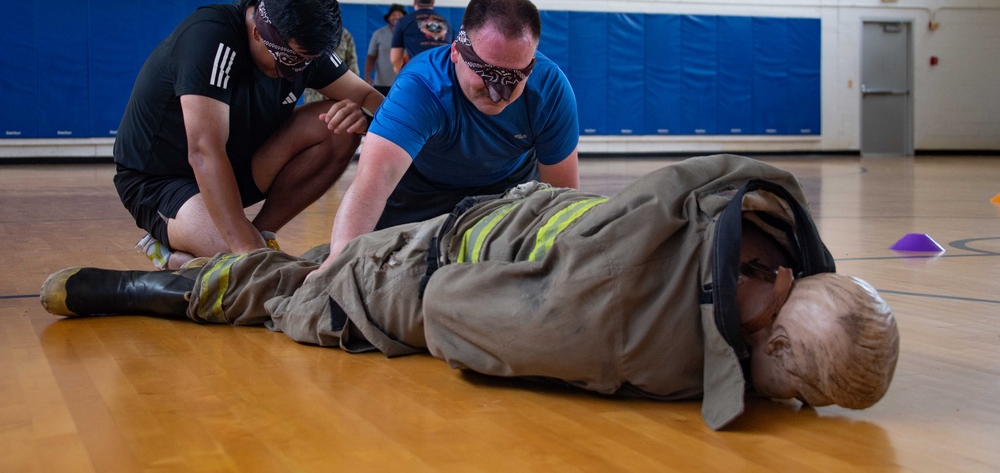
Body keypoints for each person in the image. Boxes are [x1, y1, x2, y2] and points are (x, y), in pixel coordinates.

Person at [40, 154, 901, 431]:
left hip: (501, 221)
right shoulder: (618, 329)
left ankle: (241, 269)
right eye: (793, 389)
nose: (789, 406)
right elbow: (451, 311)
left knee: (309, 273)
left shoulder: (754, 212)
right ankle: (166, 286)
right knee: (296, 302)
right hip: (432, 266)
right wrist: (368, 292)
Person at [112, 0, 383, 270]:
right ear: (258, 34)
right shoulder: (209, 39)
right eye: (293, 61)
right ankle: (171, 255)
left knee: (339, 128)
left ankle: (262, 233)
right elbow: (204, 152)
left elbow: (369, 97)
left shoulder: (300, 49)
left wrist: (366, 117)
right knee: (246, 262)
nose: (300, 71)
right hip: (162, 180)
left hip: (238, 166)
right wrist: (249, 253)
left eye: (309, 61)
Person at [326, 0, 580, 267]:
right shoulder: (422, 87)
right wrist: (338, 260)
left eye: (513, 78)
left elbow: (562, 197)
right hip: (420, 196)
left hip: (504, 199)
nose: (499, 93)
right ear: (457, 52)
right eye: (487, 73)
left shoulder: (550, 90)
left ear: (530, 69)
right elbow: (375, 178)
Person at [390, 0, 453, 72]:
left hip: (419, 75)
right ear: (433, 1)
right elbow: (453, 54)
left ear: (415, 1)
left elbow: (395, 59)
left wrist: (400, 72)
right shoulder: (446, 23)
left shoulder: (404, 22)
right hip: (443, 75)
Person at [302, 27, 360, 104]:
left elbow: (352, 64)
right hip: (314, 96)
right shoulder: (309, 32)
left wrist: (353, 92)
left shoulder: (345, 35)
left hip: (338, 95)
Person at [365, 4, 406, 95]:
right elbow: (371, 57)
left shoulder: (408, 35)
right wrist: (367, 76)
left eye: (399, 15)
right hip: (382, 83)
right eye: (393, 15)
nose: (396, 17)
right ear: (388, 18)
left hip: (402, 83)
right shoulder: (378, 34)